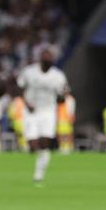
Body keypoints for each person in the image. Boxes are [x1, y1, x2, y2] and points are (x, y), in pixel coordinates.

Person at [16, 48, 68, 184]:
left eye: (50, 59)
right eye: (45, 58)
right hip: (31, 111)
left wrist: (62, 96)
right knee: (33, 145)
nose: (47, 61)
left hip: (48, 111)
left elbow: (61, 98)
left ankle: (38, 174)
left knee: (45, 143)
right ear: (40, 59)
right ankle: (37, 154)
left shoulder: (58, 76)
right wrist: (26, 103)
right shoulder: (29, 72)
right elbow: (19, 87)